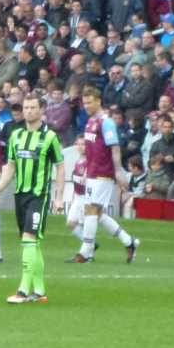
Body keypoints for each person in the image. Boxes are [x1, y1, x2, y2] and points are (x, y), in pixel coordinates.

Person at [0, 94, 66, 304]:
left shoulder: (50, 137)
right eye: (26, 108)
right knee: (32, 244)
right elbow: (10, 166)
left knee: (29, 239)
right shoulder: (16, 135)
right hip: (20, 195)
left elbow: (60, 167)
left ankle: (23, 291)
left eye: (33, 107)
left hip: (39, 196)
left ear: (42, 110)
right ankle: (40, 291)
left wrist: (59, 197)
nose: (29, 111)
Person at [69, 87, 139, 263]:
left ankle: (86, 252)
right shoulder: (91, 121)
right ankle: (129, 242)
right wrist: (86, 170)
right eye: (84, 103)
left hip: (103, 172)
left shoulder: (106, 122)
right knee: (97, 214)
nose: (86, 106)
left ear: (98, 101)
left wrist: (118, 171)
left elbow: (114, 147)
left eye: (89, 102)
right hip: (92, 171)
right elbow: (91, 150)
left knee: (90, 209)